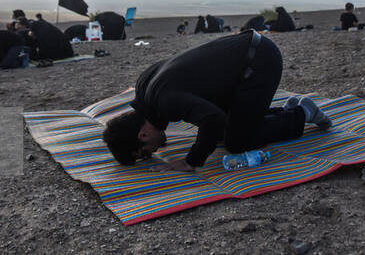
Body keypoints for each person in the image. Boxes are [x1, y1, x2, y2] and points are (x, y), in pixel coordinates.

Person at [102, 30, 332, 170]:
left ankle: (302, 113)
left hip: (260, 62)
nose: (153, 152)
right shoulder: (145, 88)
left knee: (237, 142)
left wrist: (191, 160)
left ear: (142, 135)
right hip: (245, 60)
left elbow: (213, 119)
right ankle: (286, 111)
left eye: (146, 152)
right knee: (222, 134)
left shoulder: (164, 101)